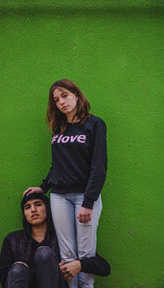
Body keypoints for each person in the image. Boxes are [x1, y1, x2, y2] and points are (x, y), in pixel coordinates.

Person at [23, 79, 107, 288]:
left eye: (65, 96)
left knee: (85, 255)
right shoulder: (58, 128)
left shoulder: (95, 124)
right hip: (59, 197)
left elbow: (99, 167)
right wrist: (43, 187)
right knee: (67, 254)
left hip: (84, 197)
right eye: (56, 99)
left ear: (76, 95)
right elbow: (57, 166)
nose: (61, 102)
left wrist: (88, 202)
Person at [0, 193, 111, 288]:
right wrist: (23, 270)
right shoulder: (12, 240)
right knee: (18, 269)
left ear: (47, 208)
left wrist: (79, 265)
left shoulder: (64, 237)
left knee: (45, 254)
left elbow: (105, 268)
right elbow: (4, 279)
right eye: (27, 207)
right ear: (24, 213)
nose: (33, 210)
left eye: (38, 205)